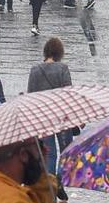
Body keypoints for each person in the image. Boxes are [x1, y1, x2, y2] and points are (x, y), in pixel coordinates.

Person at [26, 38, 74, 186]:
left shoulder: (35, 70)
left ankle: (51, 189)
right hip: (62, 116)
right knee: (67, 151)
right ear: (59, 52)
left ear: (45, 51)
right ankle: (59, 178)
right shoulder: (62, 68)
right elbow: (68, 93)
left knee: (50, 154)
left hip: (43, 118)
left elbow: (30, 95)